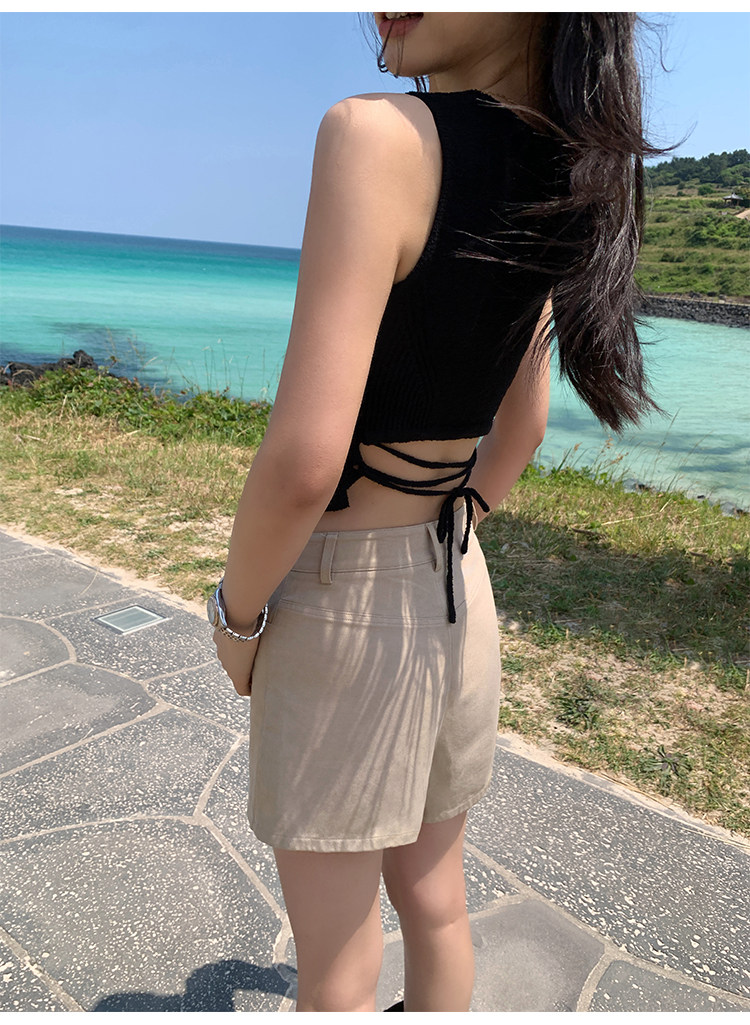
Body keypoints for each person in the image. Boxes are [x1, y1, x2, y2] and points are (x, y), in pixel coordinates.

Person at [211, 12, 658, 1012]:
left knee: (336, 965)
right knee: (436, 902)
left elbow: (303, 463)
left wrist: (236, 618)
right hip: (459, 584)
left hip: (340, 607)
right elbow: (522, 429)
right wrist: (446, 535)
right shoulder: (567, 171)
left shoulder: (375, 136)